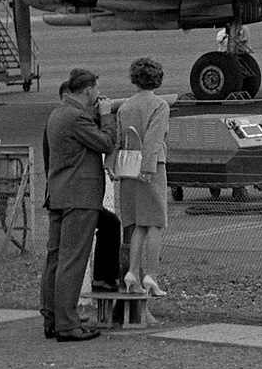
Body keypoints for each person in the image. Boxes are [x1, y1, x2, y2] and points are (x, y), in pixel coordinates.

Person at [40, 68, 118, 342]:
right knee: (73, 261)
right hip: (79, 196)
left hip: (60, 193)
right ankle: (68, 324)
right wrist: (107, 115)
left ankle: (52, 317)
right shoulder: (76, 117)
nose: (99, 94)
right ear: (88, 90)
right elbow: (106, 143)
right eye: (96, 89)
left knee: (56, 258)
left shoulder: (58, 113)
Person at [115, 57, 171, 305]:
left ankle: (132, 273)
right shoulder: (159, 105)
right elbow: (154, 139)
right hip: (151, 168)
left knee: (137, 223)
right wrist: (148, 168)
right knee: (156, 223)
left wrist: (113, 166)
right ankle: (152, 276)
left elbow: (119, 140)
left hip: (128, 169)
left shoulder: (125, 107)